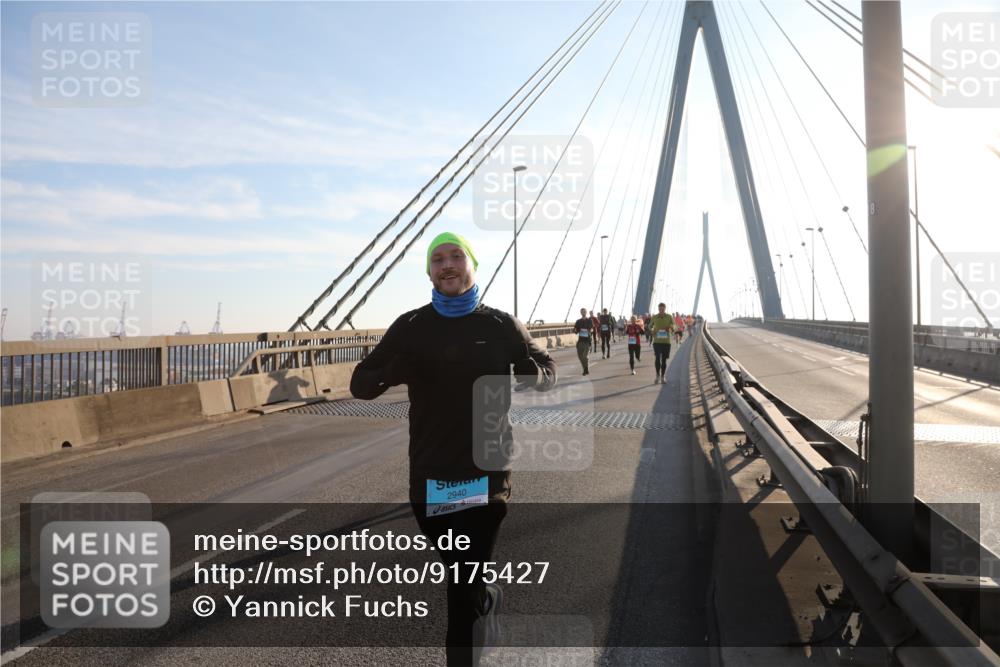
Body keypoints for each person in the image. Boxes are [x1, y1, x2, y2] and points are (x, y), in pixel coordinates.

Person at [350, 231, 557, 666]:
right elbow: (360, 385)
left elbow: (548, 371)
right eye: (438, 258)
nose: (447, 264)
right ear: (429, 271)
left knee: (460, 586)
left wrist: (530, 374)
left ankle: (474, 610)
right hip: (431, 476)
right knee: (463, 576)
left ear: (472, 266)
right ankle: (486, 598)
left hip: (486, 474)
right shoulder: (410, 327)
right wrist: (392, 369)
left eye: (456, 256)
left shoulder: (501, 325)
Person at [649, 303, 675, 384]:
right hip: (657, 341)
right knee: (657, 358)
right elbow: (650, 326)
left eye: (662, 309)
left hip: (666, 342)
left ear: (665, 309)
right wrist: (653, 330)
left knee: (664, 360)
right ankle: (657, 375)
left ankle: (663, 376)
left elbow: (674, 326)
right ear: (658, 309)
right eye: (660, 309)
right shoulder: (654, 317)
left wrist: (670, 327)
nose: (661, 311)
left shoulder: (669, 317)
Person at [573, 307, 594, 376]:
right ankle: (585, 368)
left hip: (587, 341)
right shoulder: (578, 321)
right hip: (580, 341)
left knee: (585, 356)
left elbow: (592, 329)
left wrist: (588, 331)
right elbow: (575, 330)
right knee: (580, 356)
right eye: (582, 312)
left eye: (584, 312)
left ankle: (586, 369)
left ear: (586, 312)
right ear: (580, 313)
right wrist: (575, 330)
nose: (583, 313)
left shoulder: (589, 320)